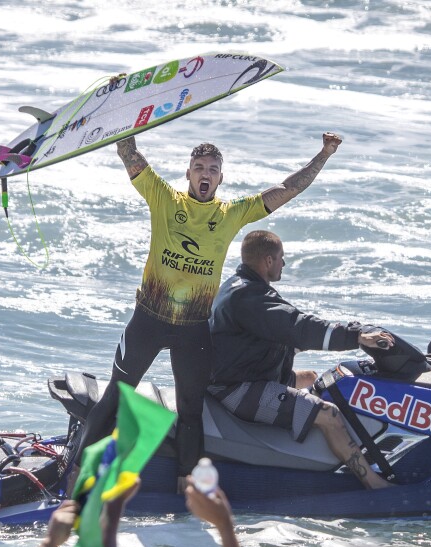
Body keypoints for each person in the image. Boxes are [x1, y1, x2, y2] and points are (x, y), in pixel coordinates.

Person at [70, 133, 344, 490]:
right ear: (188, 173)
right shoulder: (164, 198)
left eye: (213, 169)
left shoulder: (229, 215)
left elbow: (286, 189)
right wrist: (125, 124)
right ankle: (76, 476)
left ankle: (187, 487)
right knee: (117, 395)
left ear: (220, 179)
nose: (206, 173)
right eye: (199, 167)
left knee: (190, 408)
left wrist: (323, 154)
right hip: (148, 321)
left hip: (192, 329)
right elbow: (131, 157)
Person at [207, 230, 394, 489]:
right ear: (269, 261)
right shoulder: (250, 298)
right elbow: (298, 326)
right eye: (281, 257)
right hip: (238, 388)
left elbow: (272, 335)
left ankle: (324, 449)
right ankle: (374, 484)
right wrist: (357, 337)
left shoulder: (240, 286)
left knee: (312, 379)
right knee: (329, 413)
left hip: (243, 371)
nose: (284, 263)